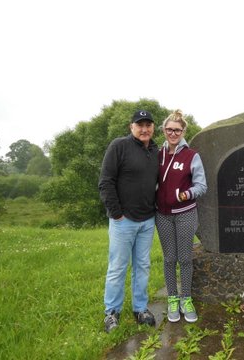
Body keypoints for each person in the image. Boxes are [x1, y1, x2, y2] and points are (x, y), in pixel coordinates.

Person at [98, 110, 159, 333]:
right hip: (123, 221)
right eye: (139, 125)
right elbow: (105, 182)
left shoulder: (155, 150)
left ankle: (140, 308)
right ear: (131, 126)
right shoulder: (119, 146)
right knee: (118, 267)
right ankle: (111, 312)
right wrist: (116, 213)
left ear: (153, 127)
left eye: (148, 125)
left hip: (147, 220)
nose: (144, 129)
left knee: (142, 266)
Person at [156, 109, 207, 323]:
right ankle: (172, 299)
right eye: (169, 129)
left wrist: (186, 193)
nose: (173, 133)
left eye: (177, 130)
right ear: (164, 131)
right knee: (169, 259)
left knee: (185, 258)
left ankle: (186, 298)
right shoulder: (158, 154)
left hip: (185, 213)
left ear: (183, 131)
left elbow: (202, 186)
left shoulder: (191, 155)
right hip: (162, 215)